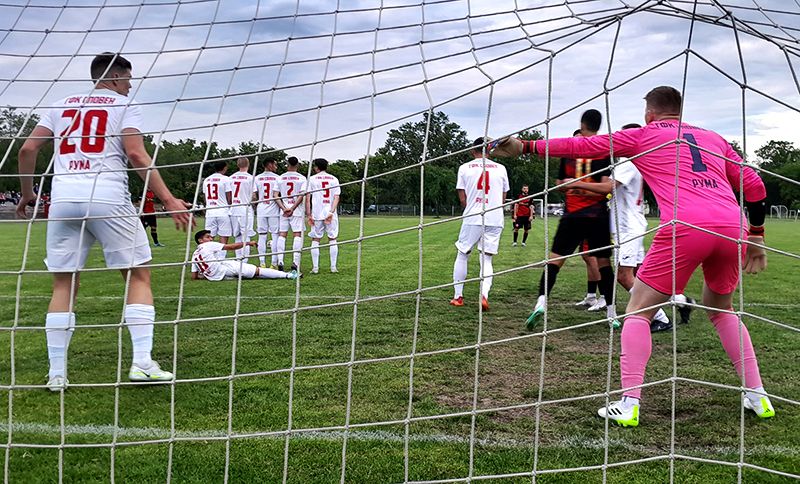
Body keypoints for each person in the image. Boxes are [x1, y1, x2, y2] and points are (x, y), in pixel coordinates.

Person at [492, 86, 773, 425]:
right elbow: (755, 186)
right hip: (732, 227)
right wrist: (756, 235)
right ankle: (758, 395)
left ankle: (628, 405)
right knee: (722, 310)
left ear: (649, 114)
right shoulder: (713, 138)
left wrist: (526, 147)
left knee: (638, 311)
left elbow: (585, 145)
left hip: (685, 226)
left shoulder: (644, 135)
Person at [16, 52, 192, 391]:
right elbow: (136, 154)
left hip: (64, 200)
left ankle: (57, 373)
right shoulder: (124, 105)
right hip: (107, 196)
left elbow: (27, 149)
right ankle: (142, 362)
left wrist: (28, 193)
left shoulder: (59, 104)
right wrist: (169, 200)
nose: (129, 86)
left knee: (64, 283)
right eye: (127, 79)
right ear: (113, 78)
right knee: (137, 275)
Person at [523, 110, 618, 330]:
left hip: (572, 215)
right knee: (604, 264)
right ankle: (612, 313)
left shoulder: (569, 152)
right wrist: (587, 186)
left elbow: (560, 183)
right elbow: (606, 187)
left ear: (582, 124)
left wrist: (574, 184)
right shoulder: (604, 150)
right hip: (597, 215)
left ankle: (541, 303)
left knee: (554, 262)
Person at [607, 123, 694, 332]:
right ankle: (681, 300)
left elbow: (607, 187)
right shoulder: (634, 161)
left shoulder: (628, 161)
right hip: (634, 224)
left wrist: (576, 184)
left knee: (623, 276)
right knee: (641, 275)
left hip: (628, 228)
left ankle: (660, 318)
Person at [449, 137, 509, 311]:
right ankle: (484, 295)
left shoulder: (464, 168)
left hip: (474, 216)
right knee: (487, 258)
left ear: (472, 150)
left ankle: (458, 296)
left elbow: (463, 199)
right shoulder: (501, 168)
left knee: (462, 253)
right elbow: (503, 198)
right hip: (495, 218)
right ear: (489, 151)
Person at [191, 230, 298, 281]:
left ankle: (231, 277)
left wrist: (208, 274)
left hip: (214, 276)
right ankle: (288, 275)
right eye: (207, 237)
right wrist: (248, 243)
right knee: (257, 270)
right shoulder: (208, 245)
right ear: (200, 240)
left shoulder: (194, 255)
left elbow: (194, 276)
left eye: (211, 237)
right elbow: (231, 247)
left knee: (251, 274)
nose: (211, 239)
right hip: (223, 269)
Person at [305, 158, 341, 274]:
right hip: (330, 212)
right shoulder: (334, 179)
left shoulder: (312, 179)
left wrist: (309, 214)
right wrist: (331, 212)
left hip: (317, 212)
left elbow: (308, 197)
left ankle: (315, 268)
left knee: (316, 239)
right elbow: (336, 197)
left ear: (316, 167)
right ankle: (333, 267)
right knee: (332, 238)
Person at [276, 156, 307, 272]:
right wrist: (292, 208)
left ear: (287, 165)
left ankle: (280, 260)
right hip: (296, 211)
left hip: (283, 211)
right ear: (297, 165)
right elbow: (302, 195)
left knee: (282, 235)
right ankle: (295, 262)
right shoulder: (302, 178)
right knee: (297, 235)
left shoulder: (280, 178)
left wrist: (284, 208)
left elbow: (275, 195)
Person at [253, 158, 281, 269]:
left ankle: (262, 263)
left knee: (262, 236)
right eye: (275, 164)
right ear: (269, 165)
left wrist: (256, 206)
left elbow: (254, 196)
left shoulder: (257, 178)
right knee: (275, 236)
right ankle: (274, 263)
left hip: (261, 209)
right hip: (273, 210)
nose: (276, 167)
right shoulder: (278, 178)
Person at [229, 156, 256, 262]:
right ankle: (244, 262)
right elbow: (253, 196)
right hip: (245, 209)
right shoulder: (250, 178)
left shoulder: (230, 178)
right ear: (248, 165)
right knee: (246, 236)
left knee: (237, 236)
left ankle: (237, 260)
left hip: (234, 209)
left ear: (237, 165)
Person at [202, 160, 233, 244]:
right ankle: (221, 256)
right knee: (224, 235)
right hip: (223, 211)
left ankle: (209, 255)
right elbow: (229, 198)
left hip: (210, 212)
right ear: (225, 167)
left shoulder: (207, 180)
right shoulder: (225, 179)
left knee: (209, 236)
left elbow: (205, 197)